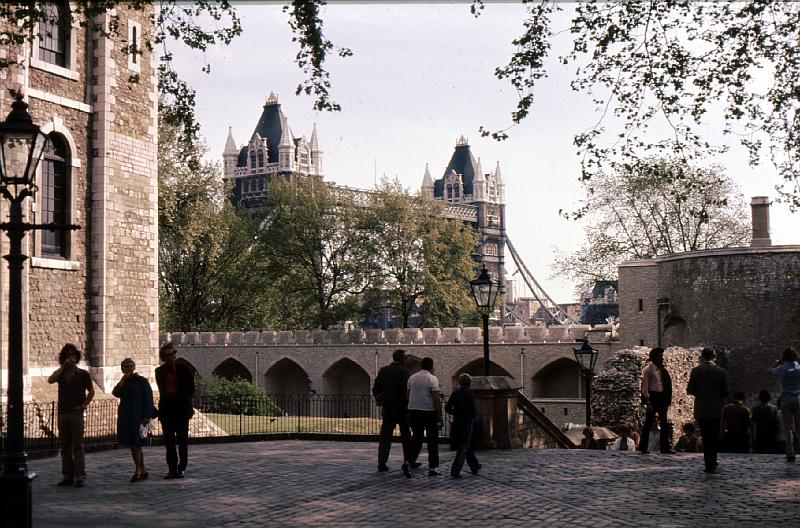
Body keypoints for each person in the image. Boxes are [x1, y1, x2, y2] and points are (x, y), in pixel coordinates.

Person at [47, 343, 95, 487]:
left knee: (78, 446)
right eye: (68, 355)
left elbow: (91, 392)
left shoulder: (83, 374)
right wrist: (63, 367)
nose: (70, 357)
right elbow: (50, 380)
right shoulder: (60, 374)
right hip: (63, 413)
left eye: (73, 355)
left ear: (77, 357)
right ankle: (68, 476)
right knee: (65, 446)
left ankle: (80, 476)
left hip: (76, 413)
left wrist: (84, 405)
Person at [155, 343, 195, 479]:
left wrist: (185, 402)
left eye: (173, 354)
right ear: (163, 358)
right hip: (166, 410)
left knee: (182, 441)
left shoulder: (183, 369)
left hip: (181, 410)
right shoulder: (159, 372)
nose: (172, 357)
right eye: (168, 355)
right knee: (169, 443)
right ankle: (172, 469)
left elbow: (191, 388)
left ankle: (181, 468)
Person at [687, 347, 730, 473]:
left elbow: (690, 390)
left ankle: (708, 463)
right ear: (714, 357)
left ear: (702, 356)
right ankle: (713, 460)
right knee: (714, 435)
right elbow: (725, 391)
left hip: (701, 408)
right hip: (716, 408)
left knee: (705, 436)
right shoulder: (721, 371)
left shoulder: (696, 371)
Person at [112, 358, 154, 482]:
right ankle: (143, 469)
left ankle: (138, 470)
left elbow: (148, 399)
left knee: (136, 444)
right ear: (122, 369)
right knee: (135, 445)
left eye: (131, 366)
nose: (129, 368)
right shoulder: (124, 382)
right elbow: (116, 393)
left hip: (138, 416)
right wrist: (122, 381)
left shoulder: (142, 381)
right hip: (126, 416)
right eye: (126, 366)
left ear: (134, 367)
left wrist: (147, 415)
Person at [372, 348, 413, 475]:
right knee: (406, 436)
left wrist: (381, 400)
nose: (406, 361)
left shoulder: (384, 370)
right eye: (405, 358)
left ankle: (382, 462)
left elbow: (375, 389)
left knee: (385, 437)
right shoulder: (405, 372)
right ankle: (408, 461)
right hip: (402, 408)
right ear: (401, 359)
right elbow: (408, 391)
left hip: (388, 408)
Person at [406, 357, 441, 476]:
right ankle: (433, 467)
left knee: (416, 438)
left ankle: (409, 461)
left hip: (414, 410)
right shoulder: (432, 379)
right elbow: (436, 398)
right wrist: (438, 413)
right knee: (432, 440)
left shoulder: (412, 378)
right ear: (431, 366)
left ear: (421, 365)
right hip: (428, 411)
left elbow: (408, 395)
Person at [639, 347, 675, 454]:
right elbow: (645, 387)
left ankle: (665, 447)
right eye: (660, 356)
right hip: (653, 397)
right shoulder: (648, 370)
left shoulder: (662, 370)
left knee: (664, 422)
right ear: (654, 358)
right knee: (648, 422)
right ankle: (643, 447)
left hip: (662, 398)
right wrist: (647, 401)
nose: (662, 358)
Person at [446, 373, 481, 478]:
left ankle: (474, 465)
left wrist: (455, 413)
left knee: (466, 445)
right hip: (466, 422)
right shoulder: (469, 395)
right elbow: (473, 410)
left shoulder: (455, 394)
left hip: (457, 422)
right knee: (463, 446)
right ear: (469, 383)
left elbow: (447, 408)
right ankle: (455, 470)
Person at [770, 346, 800, 463]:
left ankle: (790, 453)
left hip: (785, 398)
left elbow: (769, 371)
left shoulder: (782, 368)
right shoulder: (799, 368)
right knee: (799, 427)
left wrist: (777, 362)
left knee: (787, 427)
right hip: (797, 398)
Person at [751, 390, 779, 454]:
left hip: (759, 435)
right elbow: (776, 423)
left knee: (759, 454)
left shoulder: (756, 409)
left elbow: (752, 423)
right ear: (769, 398)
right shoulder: (774, 408)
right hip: (771, 436)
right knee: (771, 453)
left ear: (760, 398)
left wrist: (752, 437)